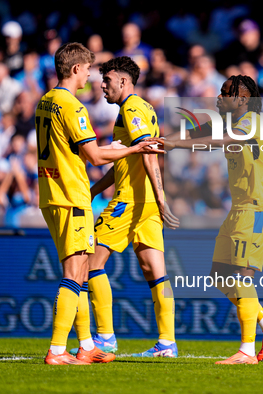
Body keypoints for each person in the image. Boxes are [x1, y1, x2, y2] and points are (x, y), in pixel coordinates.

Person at [37, 42, 162, 366]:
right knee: (77, 271)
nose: (92, 77)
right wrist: (134, 150)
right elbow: (93, 155)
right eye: (89, 70)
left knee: (78, 271)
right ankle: (58, 350)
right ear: (76, 69)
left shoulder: (45, 101)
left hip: (50, 193)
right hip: (70, 195)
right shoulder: (72, 106)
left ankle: (88, 344)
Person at [161, 75, 263, 364]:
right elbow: (197, 134)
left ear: (242, 99)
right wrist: (165, 141)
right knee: (218, 275)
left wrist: (174, 146)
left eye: (224, 93)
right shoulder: (229, 121)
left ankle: (246, 350)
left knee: (242, 277)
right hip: (239, 209)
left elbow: (222, 139)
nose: (218, 98)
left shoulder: (253, 121)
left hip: (257, 208)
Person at [73, 56, 180, 359]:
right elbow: (128, 158)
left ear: (123, 80)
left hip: (130, 201)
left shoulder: (131, 108)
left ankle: (105, 338)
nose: (102, 85)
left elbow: (148, 153)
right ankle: (167, 343)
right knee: (155, 272)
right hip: (145, 202)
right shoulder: (144, 107)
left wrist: (161, 198)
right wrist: (94, 190)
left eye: (106, 80)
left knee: (90, 264)